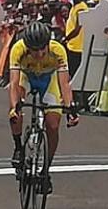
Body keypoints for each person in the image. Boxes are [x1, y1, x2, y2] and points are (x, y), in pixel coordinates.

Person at [7, 22, 79, 195]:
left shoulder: (58, 50)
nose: (39, 54)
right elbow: (14, 83)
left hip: (49, 80)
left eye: (42, 49)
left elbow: (64, 83)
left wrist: (70, 108)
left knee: (53, 126)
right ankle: (18, 147)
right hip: (27, 77)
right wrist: (14, 107)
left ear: (48, 44)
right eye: (34, 50)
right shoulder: (18, 49)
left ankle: (45, 170)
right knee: (16, 111)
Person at [62, 0, 89, 77]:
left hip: (77, 45)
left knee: (75, 70)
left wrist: (66, 38)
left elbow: (78, 27)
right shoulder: (75, 6)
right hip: (72, 43)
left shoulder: (81, 7)